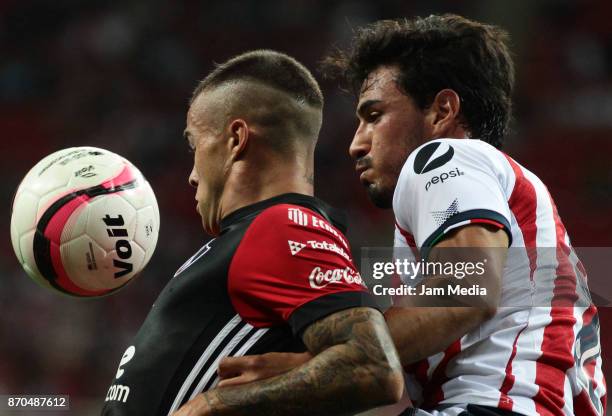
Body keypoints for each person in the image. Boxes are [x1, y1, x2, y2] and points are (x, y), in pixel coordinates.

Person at [216, 15, 607, 416]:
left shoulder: (445, 156)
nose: (355, 144)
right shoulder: (503, 186)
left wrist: (316, 365)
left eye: (373, 116)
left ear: (442, 111)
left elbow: (466, 289)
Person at [101, 49, 405, 416]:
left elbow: (374, 368)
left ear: (236, 139)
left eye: (194, 145)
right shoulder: (250, 236)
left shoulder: (283, 226)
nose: (191, 175)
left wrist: (213, 404)